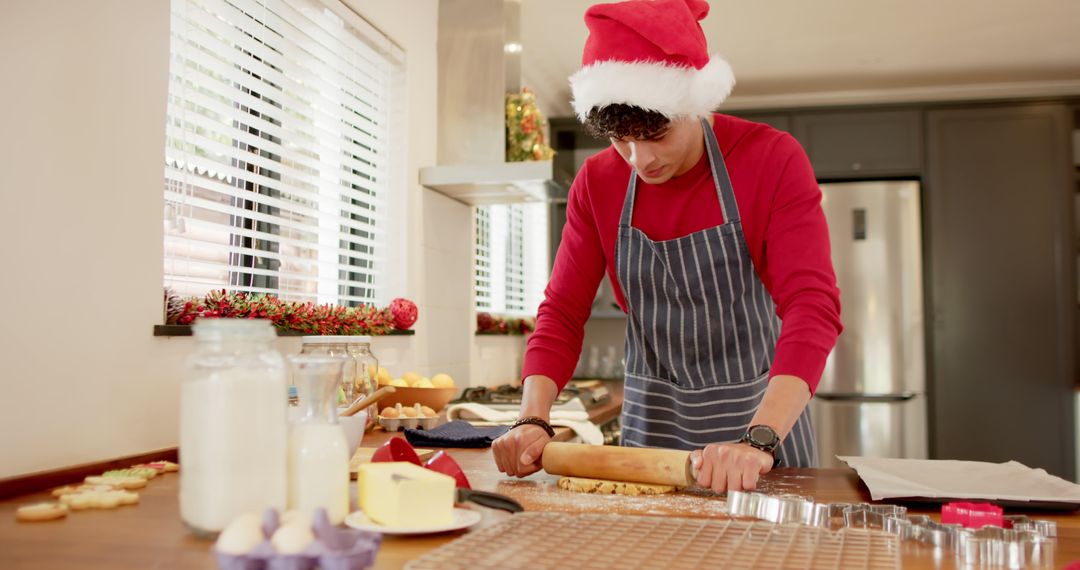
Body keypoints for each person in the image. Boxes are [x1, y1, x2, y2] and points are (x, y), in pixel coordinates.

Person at [492, 0, 842, 494]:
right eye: (621, 140)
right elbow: (563, 312)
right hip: (650, 438)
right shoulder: (597, 182)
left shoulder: (770, 159)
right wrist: (532, 420)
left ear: (694, 103)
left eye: (656, 134)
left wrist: (759, 439)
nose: (640, 159)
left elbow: (812, 305)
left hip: (759, 431)